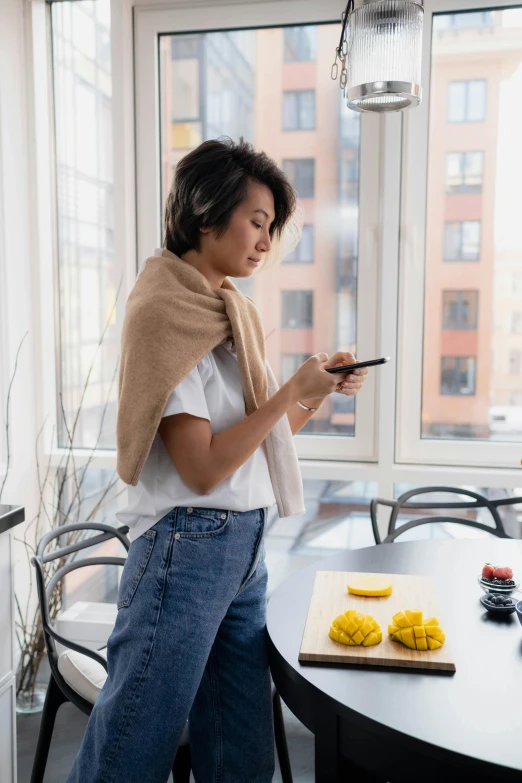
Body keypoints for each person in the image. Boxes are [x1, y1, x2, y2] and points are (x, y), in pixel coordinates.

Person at [67, 137, 367, 783]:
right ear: (206, 213)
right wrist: (290, 388)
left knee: (240, 743)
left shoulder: (228, 313)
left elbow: (252, 442)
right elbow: (202, 467)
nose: (265, 239)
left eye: (272, 227)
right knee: (133, 742)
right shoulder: (164, 315)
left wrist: (309, 396)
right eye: (256, 221)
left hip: (240, 546)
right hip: (188, 545)